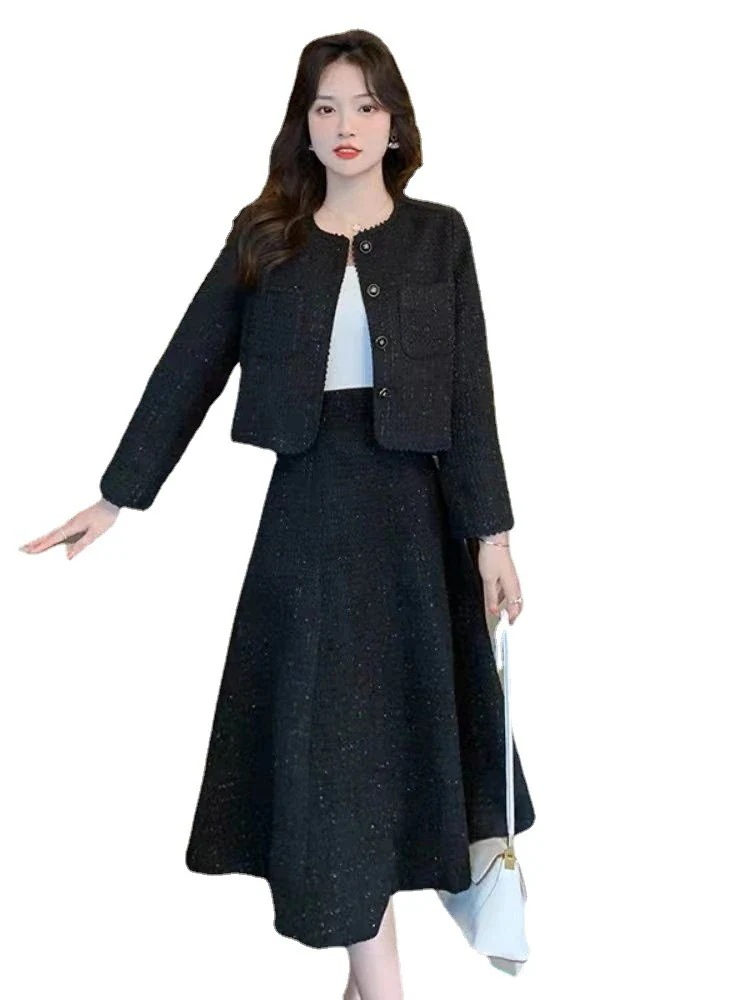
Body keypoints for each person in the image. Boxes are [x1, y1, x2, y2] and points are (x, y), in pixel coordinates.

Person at [19, 29, 536, 1000]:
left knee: (384, 764)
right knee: (335, 756)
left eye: (366, 106)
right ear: (302, 124)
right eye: (325, 106)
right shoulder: (266, 236)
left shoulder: (440, 235)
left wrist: (493, 536)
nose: (346, 125)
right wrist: (118, 496)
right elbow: (190, 365)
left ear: (395, 124)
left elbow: (471, 395)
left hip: (415, 535)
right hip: (309, 530)